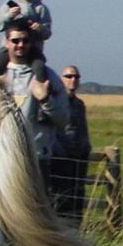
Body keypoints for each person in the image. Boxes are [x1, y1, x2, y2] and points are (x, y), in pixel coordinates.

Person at [0, 18, 70, 185]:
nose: (20, 45)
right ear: (6, 42)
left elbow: (64, 119)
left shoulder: (47, 77)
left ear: (32, 43)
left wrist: (45, 100)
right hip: (2, 160)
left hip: (37, 160)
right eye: (15, 40)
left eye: (25, 40)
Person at [51, 65, 92, 224]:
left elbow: (83, 128)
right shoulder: (56, 102)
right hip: (61, 159)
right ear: (61, 79)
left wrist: (86, 147)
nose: (73, 80)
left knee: (77, 196)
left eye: (76, 77)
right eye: (68, 76)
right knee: (60, 198)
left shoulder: (79, 104)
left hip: (79, 160)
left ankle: (75, 229)